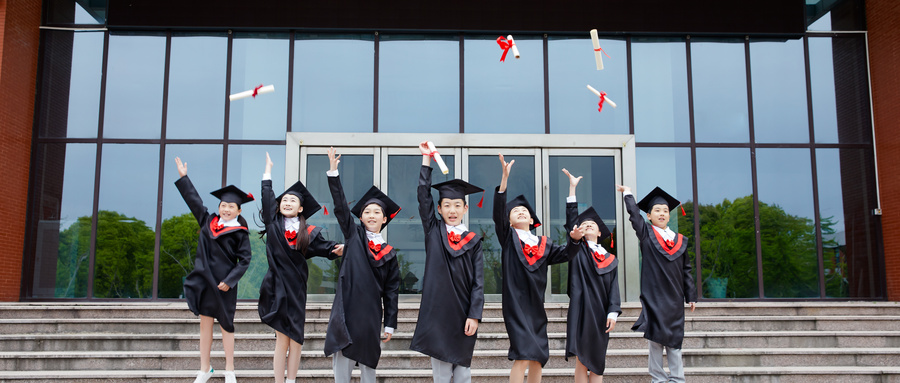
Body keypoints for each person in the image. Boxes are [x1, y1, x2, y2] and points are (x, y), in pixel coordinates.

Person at [257, 153, 343, 383]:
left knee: (295, 339)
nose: (287, 203)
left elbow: (327, 247)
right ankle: (278, 381)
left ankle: (291, 380)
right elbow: (267, 198)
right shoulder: (273, 225)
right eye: (284, 200)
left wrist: (342, 248)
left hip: (295, 290)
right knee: (281, 340)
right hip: (276, 288)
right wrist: (268, 171)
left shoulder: (308, 233)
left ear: (301, 207)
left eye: (292, 201)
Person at [494, 154, 578, 383]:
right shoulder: (509, 239)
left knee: (538, 356)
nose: (521, 212)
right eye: (515, 212)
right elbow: (498, 214)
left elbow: (570, 249)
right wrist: (504, 180)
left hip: (536, 308)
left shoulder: (545, 244)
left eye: (525, 211)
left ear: (532, 220)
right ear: (509, 221)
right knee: (522, 353)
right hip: (516, 305)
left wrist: (571, 195)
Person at [324, 147, 401, 383]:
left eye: (377, 212)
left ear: (384, 218)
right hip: (346, 311)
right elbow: (340, 208)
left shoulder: (389, 253)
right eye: (367, 211)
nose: (371, 215)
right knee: (342, 370)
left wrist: (390, 323)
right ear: (360, 217)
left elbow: (391, 291)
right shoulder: (354, 237)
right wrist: (334, 172)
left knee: (369, 367)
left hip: (370, 315)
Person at [410, 141, 485, 383]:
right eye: (446, 206)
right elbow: (423, 198)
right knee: (441, 375)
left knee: (463, 373)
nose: (452, 210)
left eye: (456, 206)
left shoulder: (473, 241)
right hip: (438, 314)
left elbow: (478, 283)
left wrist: (474, 315)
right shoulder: (434, 231)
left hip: (463, 315)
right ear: (440, 209)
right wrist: (426, 160)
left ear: (465, 208)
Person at [174, 157, 253, 383]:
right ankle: (205, 368)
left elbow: (245, 260)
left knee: (227, 326)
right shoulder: (208, 221)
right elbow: (195, 202)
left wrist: (230, 280)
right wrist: (184, 178)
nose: (226, 209)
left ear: (238, 210)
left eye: (231, 206)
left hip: (225, 285)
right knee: (205, 324)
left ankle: (229, 369)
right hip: (205, 282)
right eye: (223, 205)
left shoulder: (240, 232)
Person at [616, 184, 697, 383]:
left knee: (675, 340)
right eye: (657, 210)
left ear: (669, 216)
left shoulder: (681, 241)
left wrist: (691, 295)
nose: (662, 213)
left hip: (675, 298)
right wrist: (628, 194)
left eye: (665, 211)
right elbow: (635, 216)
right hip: (654, 297)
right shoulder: (647, 235)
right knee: (655, 341)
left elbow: (686, 270)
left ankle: (677, 379)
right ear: (649, 216)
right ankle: (658, 379)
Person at [562, 169, 621, 383]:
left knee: (598, 360)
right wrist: (572, 190)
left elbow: (614, 289)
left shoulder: (610, 259)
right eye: (584, 224)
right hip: (581, 310)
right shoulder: (578, 250)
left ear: (599, 233)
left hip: (600, 314)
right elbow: (571, 225)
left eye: (592, 225)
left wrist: (613, 312)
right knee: (582, 359)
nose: (588, 226)